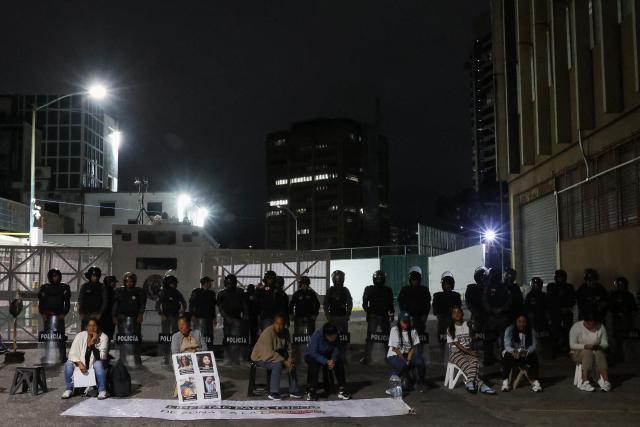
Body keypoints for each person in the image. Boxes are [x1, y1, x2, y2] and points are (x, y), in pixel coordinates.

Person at [250, 313, 303, 400]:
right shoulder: (268, 332)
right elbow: (269, 353)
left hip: (276, 355)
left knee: (291, 364)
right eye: (277, 324)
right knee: (277, 365)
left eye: (281, 324)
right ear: (274, 323)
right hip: (261, 356)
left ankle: (294, 390)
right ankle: (273, 392)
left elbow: (289, 349)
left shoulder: (286, 332)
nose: (279, 326)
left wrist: (289, 360)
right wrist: (284, 361)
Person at [446, 306, 495, 394]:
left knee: (474, 361)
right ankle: (481, 385)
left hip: (468, 351)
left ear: (462, 313)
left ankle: (470, 382)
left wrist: (473, 350)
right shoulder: (450, 329)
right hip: (455, 353)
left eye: (459, 312)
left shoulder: (468, 325)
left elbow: (473, 339)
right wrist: (470, 352)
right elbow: (457, 345)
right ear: (452, 316)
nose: (457, 314)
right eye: (454, 313)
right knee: (468, 364)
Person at [61, 318, 109, 400]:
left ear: (98, 327)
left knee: (98, 363)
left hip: (97, 366)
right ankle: (69, 389)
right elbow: (72, 353)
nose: (92, 328)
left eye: (94, 325)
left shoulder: (104, 337)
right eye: (89, 326)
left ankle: (102, 390)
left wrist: (93, 344)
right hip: (82, 365)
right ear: (86, 327)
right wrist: (79, 364)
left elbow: (102, 357)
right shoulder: (80, 335)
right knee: (68, 363)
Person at [304, 322, 351, 401]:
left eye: (335, 337)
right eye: (332, 338)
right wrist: (325, 361)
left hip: (328, 355)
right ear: (326, 336)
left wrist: (332, 359)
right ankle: (312, 390)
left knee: (339, 362)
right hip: (314, 355)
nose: (334, 339)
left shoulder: (336, 336)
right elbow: (313, 352)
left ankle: (342, 388)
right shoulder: (317, 335)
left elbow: (337, 348)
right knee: (314, 363)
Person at [570, 312, 611, 392]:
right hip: (578, 351)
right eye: (588, 325)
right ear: (584, 321)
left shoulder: (601, 327)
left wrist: (598, 346)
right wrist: (585, 346)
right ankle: (584, 382)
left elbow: (605, 343)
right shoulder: (576, 327)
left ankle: (606, 381)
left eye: (593, 325)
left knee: (599, 353)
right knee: (587, 353)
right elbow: (572, 345)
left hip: (595, 350)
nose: (591, 327)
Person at [501, 314, 542, 392]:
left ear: (527, 322)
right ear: (515, 322)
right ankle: (505, 382)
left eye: (524, 322)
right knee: (507, 356)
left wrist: (526, 352)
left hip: (525, 353)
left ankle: (536, 381)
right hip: (513, 353)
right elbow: (507, 345)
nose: (521, 324)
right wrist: (514, 351)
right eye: (519, 321)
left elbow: (534, 345)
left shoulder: (531, 330)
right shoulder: (509, 329)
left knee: (534, 356)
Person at [386, 312, 426, 392]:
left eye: (407, 322)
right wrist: (405, 361)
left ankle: (419, 383)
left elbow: (413, 348)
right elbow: (396, 349)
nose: (406, 324)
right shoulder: (394, 330)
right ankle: (392, 384)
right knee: (402, 365)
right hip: (394, 355)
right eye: (403, 322)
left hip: (407, 355)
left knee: (420, 361)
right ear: (399, 321)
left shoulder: (413, 330)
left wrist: (408, 359)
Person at [361, 270, 395, 364]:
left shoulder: (387, 290)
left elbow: (390, 304)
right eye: (378, 278)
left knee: (385, 338)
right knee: (372, 338)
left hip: (382, 316)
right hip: (376, 316)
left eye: (381, 278)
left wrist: (391, 314)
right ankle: (368, 358)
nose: (379, 280)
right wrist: (369, 312)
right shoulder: (371, 289)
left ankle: (386, 357)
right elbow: (364, 303)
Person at [482, 268, 512, 365]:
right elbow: (485, 301)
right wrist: (492, 310)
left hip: (501, 316)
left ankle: (504, 359)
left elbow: (509, 300)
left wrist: (502, 309)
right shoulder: (488, 287)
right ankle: (488, 359)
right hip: (492, 317)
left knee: (504, 340)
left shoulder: (503, 287)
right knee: (489, 340)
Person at [323, 270, 353, 353]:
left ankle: (343, 355)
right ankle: (333, 354)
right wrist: (328, 316)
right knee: (332, 337)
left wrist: (347, 315)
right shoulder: (331, 290)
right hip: (334, 317)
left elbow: (349, 303)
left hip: (342, 317)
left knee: (343, 338)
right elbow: (326, 304)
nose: (338, 280)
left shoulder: (345, 290)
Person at [397, 266, 431, 341]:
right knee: (408, 338)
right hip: (409, 318)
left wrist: (425, 315)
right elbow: (400, 303)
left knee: (420, 338)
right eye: (413, 280)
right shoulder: (405, 289)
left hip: (420, 318)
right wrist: (404, 315)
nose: (415, 281)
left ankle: (420, 352)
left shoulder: (424, 290)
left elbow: (427, 304)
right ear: (410, 280)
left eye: (417, 280)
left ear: (419, 280)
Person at [546, 269, 575, 354]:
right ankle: (555, 349)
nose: (560, 279)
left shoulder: (569, 287)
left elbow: (572, 299)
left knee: (568, 331)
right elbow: (550, 300)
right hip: (555, 313)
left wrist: (567, 308)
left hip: (567, 312)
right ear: (555, 278)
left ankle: (567, 348)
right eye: (558, 277)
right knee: (555, 331)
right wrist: (557, 309)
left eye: (561, 277)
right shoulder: (551, 286)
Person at [432, 272, 462, 355]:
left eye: (448, 284)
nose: (447, 286)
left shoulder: (456, 295)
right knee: (442, 336)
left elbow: (458, 308)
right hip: (443, 319)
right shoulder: (438, 296)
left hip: (452, 319)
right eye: (445, 284)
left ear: (451, 285)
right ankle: (443, 351)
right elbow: (435, 310)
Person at [610, 277, 638, 361]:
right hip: (617, 320)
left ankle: (627, 356)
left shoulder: (629, 295)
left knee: (627, 338)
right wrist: (617, 313)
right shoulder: (614, 295)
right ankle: (617, 356)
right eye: (619, 285)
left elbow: (633, 308)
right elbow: (611, 307)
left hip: (627, 319)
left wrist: (629, 313)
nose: (621, 286)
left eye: (623, 285)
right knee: (617, 338)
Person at [189, 276, 218, 350]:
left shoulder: (211, 293)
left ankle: (209, 351)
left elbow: (212, 307)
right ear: (205, 283)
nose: (210, 284)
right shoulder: (196, 292)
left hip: (209, 318)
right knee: (200, 335)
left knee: (209, 336)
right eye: (209, 282)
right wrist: (192, 315)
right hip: (199, 317)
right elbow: (192, 304)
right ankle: (199, 351)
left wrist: (214, 317)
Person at [78, 266, 108, 331]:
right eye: (93, 276)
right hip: (86, 314)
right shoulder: (84, 286)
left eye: (97, 276)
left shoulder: (102, 287)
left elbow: (105, 301)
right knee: (84, 334)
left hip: (97, 314)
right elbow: (80, 300)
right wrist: (81, 312)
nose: (95, 277)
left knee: (96, 333)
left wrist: (100, 313)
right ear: (90, 276)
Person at [465, 267, 488, 337]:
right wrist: (475, 312)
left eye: (483, 277)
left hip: (488, 315)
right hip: (477, 315)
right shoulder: (471, 288)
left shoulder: (490, 288)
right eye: (481, 277)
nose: (482, 278)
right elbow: (469, 302)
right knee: (476, 334)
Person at [100, 275, 117, 340]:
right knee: (107, 335)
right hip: (106, 317)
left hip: (106, 316)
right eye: (113, 282)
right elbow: (107, 304)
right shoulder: (107, 291)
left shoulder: (109, 290)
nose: (115, 284)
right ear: (109, 282)